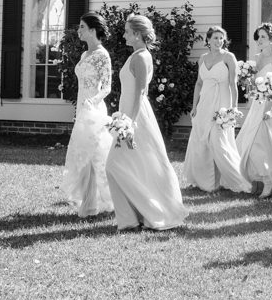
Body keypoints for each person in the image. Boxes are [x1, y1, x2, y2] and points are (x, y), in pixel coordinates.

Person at [105, 14, 189, 230]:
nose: (123, 35)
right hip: (129, 114)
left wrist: (129, 124)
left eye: (126, 31)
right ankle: (132, 218)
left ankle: (141, 215)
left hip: (135, 118)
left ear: (137, 34)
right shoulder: (136, 55)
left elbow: (141, 92)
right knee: (135, 164)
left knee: (115, 164)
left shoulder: (141, 57)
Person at [183, 26, 250, 193]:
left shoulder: (229, 57)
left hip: (221, 101)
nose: (219, 41)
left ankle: (237, 179)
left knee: (219, 142)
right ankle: (206, 182)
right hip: (204, 101)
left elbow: (233, 84)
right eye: (215, 38)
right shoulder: (203, 58)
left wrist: (233, 108)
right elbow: (198, 83)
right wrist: (194, 106)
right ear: (208, 39)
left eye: (221, 38)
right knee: (200, 141)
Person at [62, 13, 114, 217]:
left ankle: (103, 199)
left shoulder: (103, 55)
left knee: (96, 155)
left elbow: (107, 87)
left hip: (94, 109)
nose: (79, 30)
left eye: (82, 27)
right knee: (83, 153)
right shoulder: (85, 55)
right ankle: (88, 201)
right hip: (81, 109)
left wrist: (93, 101)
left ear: (93, 30)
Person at [236, 22, 272, 198]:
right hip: (256, 105)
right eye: (258, 36)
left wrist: (269, 109)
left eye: (263, 37)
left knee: (264, 145)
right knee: (250, 144)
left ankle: (271, 181)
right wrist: (245, 80)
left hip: (270, 106)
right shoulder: (257, 58)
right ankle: (268, 180)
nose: (259, 40)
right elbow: (253, 84)